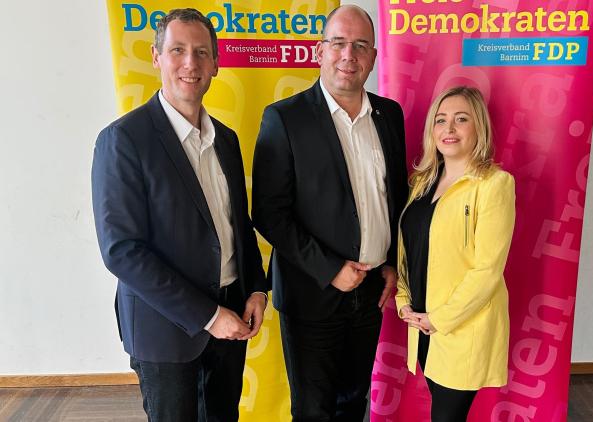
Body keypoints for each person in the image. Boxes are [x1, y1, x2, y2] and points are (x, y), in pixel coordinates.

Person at [92, 9, 268, 422]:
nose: (191, 63)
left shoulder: (226, 139)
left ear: (216, 64)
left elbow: (237, 226)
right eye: (178, 50)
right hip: (165, 329)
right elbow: (122, 251)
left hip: (233, 315)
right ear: (156, 57)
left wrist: (257, 290)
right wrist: (208, 316)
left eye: (202, 52)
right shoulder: (123, 140)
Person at [251, 5, 408, 421]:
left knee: (353, 403)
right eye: (338, 43)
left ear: (373, 57)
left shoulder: (389, 115)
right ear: (320, 51)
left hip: (371, 290)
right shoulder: (285, 118)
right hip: (311, 292)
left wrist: (391, 263)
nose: (348, 55)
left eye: (360, 45)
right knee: (314, 410)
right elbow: (268, 212)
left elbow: (395, 197)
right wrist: (330, 269)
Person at [395, 86, 516, 421]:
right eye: (440, 120)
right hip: (421, 324)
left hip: (461, 328)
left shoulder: (494, 184)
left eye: (461, 119)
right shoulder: (421, 183)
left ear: (479, 127)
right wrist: (403, 299)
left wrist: (440, 319)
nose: (448, 128)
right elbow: (408, 250)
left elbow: (487, 270)